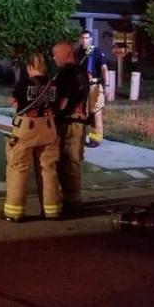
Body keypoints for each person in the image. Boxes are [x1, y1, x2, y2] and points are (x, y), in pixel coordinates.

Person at [1, 52, 61, 222]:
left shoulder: (24, 83)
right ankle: (52, 210)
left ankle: (14, 212)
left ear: (28, 67)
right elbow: (57, 104)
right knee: (48, 169)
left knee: (18, 168)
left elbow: (14, 102)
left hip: (27, 128)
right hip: (49, 127)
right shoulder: (53, 84)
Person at [53, 42, 89, 213]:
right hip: (80, 122)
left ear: (66, 54)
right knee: (73, 161)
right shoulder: (80, 72)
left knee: (68, 161)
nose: (53, 58)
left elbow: (64, 100)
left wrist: (56, 116)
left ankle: (72, 201)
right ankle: (73, 198)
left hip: (69, 122)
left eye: (55, 54)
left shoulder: (66, 73)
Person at [76, 30, 108, 146]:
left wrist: (107, 85)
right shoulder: (78, 53)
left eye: (86, 38)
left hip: (95, 85)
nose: (84, 40)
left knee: (96, 113)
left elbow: (104, 68)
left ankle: (95, 139)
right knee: (83, 113)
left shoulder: (96, 51)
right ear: (80, 40)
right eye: (82, 38)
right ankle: (83, 138)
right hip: (82, 87)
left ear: (91, 39)